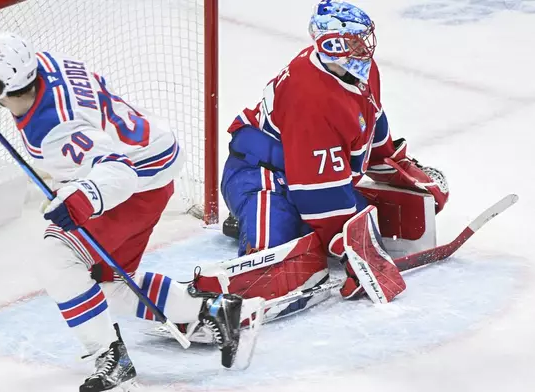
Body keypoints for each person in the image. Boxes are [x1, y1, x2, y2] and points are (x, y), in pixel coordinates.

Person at [0, 32, 253, 392]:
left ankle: (109, 356)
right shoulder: (45, 64)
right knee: (106, 283)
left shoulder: (54, 130)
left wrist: (79, 199)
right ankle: (210, 309)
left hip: (136, 183)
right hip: (151, 156)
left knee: (55, 260)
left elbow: (118, 172)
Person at [192, 0, 449, 321]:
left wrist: (402, 172)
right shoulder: (310, 96)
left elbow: (370, 125)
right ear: (334, 45)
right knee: (273, 265)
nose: (364, 46)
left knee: (358, 227)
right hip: (260, 176)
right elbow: (318, 197)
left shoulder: (360, 72)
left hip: (306, 172)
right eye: (355, 40)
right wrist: (347, 251)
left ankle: (258, 223)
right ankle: (247, 230)